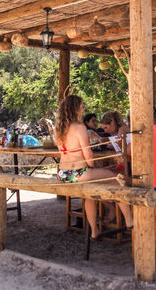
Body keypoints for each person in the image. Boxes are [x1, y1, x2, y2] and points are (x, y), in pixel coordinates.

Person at [56, 95, 133, 239]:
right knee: (117, 178)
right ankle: (129, 221)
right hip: (78, 174)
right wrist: (95, 167)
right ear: (76, 109)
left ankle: (94, 231)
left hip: (63, 174)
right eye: (81, 106)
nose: (83, 109)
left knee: (90, 194)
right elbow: (89, 159)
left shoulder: (59, 128)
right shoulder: (79, 127)